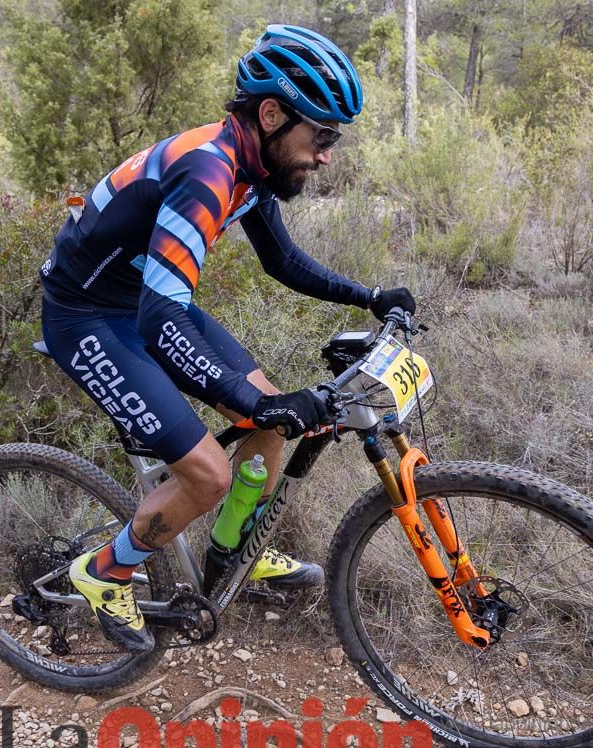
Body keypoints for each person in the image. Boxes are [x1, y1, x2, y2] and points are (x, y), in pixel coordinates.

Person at [37, 25, 416, 653]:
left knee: (272, 419)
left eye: (334, 139)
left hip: (139, 301)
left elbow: (283, 262)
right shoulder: (210, 170)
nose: (326, 155)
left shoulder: (251, 163)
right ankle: (105, 571)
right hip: (86, 315)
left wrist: (369, 296)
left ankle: (231, 547)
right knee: (210, 474)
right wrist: (256, 400)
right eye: (321, 136)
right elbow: (162, 321)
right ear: (271, 114)